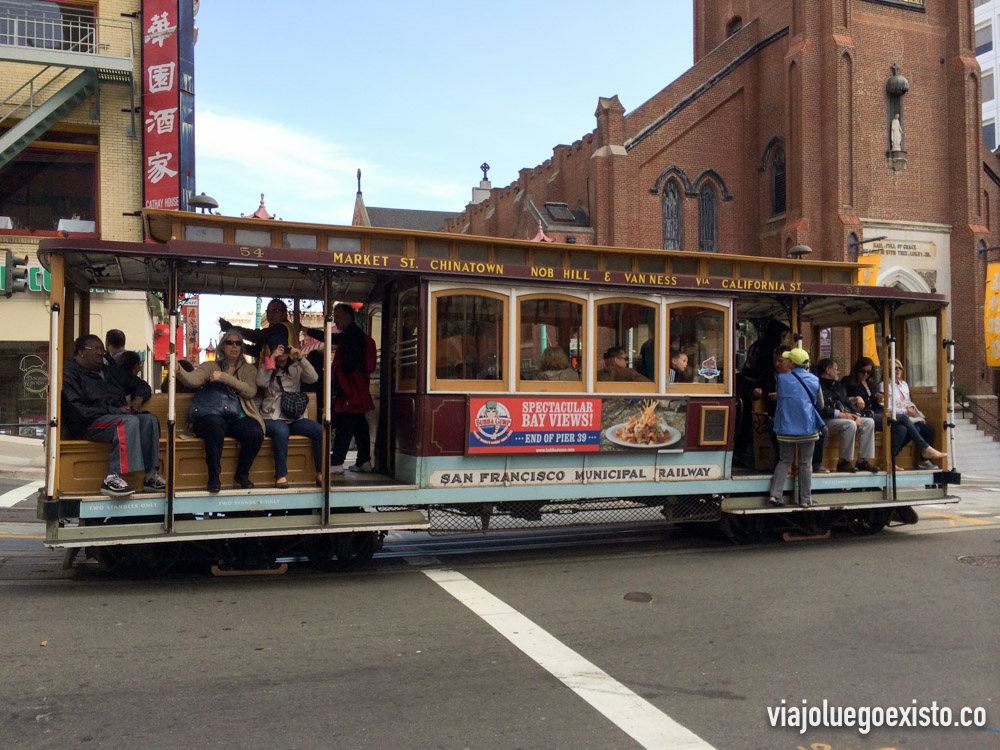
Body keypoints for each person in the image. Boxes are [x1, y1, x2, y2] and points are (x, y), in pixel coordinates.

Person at [62, 334, 165, 498]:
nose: (100, 353)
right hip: (87, 423)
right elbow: (78, 409)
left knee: (148, 419)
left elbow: (141, 385)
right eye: (95, 349)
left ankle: (151, 476)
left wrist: (137, 400)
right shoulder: (69, 372)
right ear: (81, 352)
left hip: (115, 418)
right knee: (127, 422)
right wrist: (116, 411)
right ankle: (112, 478)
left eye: (102, 349)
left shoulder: (110, 372)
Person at [176, 333, 264, 493]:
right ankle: (214, 477)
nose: (234, 346)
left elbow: (250, 391)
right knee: (214, 426)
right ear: (222, 347)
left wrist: (224, 378)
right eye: (230, 343)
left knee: (255, 432)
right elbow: (193, 380)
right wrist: (178, 370)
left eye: (238, 343)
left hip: (238, 416)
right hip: (213, 414)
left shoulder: (248, 369)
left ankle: (242, 474)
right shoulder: (211, 366)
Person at [752, 344, 829, 473]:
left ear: (790, 361)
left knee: (824, 430)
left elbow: (816, 402)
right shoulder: (768, 376)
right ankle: (781, 462)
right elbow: (756, 392)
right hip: (779, 414)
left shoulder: (806, 377)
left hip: (802, 415)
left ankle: (816, 464)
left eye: (780, 361)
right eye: (775, 360)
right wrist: (756, 393)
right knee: (774, 427)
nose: (777, 364)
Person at [257, 339, 323, 488]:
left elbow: (314, 378)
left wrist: (300, 358)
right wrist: (271, 359)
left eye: (284, 348)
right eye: (278, 348)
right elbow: (261, 382)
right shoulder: (268, 365)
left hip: (295, 416)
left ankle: (320, 473)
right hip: (272, 416)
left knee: (319, 430)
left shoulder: (296, 366)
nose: (282, 351)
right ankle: (281, 476)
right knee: (281, 431)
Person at [768, 347, 825, 507]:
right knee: (806, 463)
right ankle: (806, 500)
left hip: (785, 427)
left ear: (792, 363)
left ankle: (775, 495)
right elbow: (820, 405)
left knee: (784, 460)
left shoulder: (782, 379)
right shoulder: (815, 380)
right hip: (807, 427)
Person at [330, 303, 377, 474]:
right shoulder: (354, 334)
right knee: (360, 425)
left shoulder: (351, 336)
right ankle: (364, 461)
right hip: (357, 386)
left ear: (348, 316)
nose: (335, 319)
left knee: (345, 424)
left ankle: (336, 463)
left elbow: (349, 363)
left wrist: (341, 381)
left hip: (350, 387)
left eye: (337, 315)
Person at [878, 359, 946, 469]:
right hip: (895, 417)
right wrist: (905, 411)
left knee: (928, 429)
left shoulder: (904, 385)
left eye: (900, 368)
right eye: (895, 368)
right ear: (888, 370)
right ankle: (891, 458)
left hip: (908, 417)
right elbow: (887, 408)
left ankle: (924, 459)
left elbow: (907, 401)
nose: (898, 370)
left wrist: (911, 409)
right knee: (909, 430)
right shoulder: (884, 385)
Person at [816, 358, 879, 472]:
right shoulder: (818, 385)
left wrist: (857, 414)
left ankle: (861, 461)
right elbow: (821, 409)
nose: (838, 372)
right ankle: (843, 461)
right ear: (828, 370)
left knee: (869, 422)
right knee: (850, 424)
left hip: (843, 417)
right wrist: (842, 415)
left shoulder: (838, 385)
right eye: (836, 369)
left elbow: (848, 402)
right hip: (825, 420)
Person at [219, 298, 296, 359]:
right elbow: (258, 351)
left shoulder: (281, 328)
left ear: (284, 313)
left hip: (284, 373)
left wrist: (231, 329)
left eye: (275, 311)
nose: (270, 314)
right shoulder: (280, 328)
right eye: (268, 312)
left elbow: (256, 336)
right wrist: (238, 346)